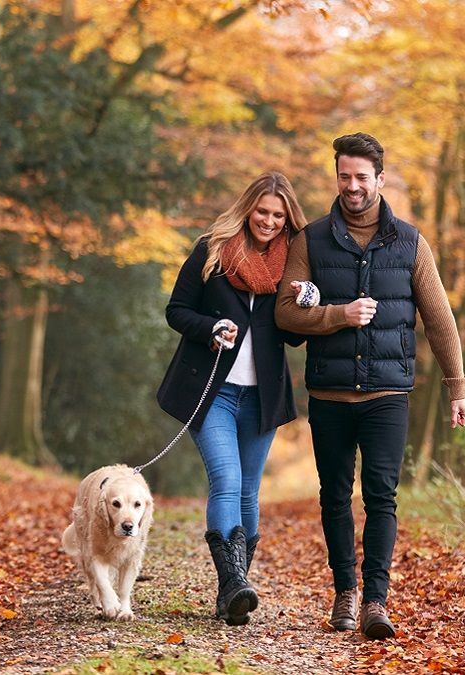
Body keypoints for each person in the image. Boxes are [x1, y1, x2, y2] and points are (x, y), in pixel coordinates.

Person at [275, 133, 465, 640]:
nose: (353, 186)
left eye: (362, 178)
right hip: (330, 394)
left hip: (388, 395)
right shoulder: (311, 241)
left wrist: (458, 387)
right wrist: (338, 316)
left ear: (380, 180)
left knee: (382, 497)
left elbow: (439, 318)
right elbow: (284, 314)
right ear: (336, 177)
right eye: (345, 176)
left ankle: (376, 602)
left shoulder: (410, 242)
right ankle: (345, 593)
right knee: (335, 497)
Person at [157, 171, 306, 626]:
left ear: (287, 219)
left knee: (249, 491)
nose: (269, 221)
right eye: (262, 211)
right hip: (213, 390)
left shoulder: (294, 264)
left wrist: (304, 302)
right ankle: (234, 585)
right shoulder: (213, 250)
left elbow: (295, 339)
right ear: (247, 208)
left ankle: (232, 590)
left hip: (262, 397)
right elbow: (176, 310)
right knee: (226, 480)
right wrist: (211, 328)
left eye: (278, 215)